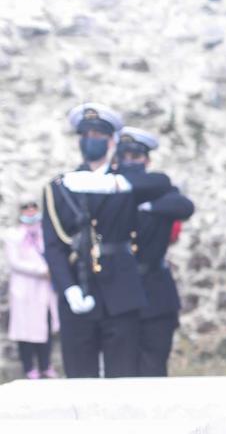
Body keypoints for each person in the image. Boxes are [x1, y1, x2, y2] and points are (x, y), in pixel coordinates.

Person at [42, 103, 175, 378]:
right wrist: (68, 289)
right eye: (86, 135)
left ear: (111, 140)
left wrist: (114, 185)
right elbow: (54, 247)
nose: (92, 140)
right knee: (80, 379)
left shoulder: (125, 181)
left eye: (99, 135)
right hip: (80, 288)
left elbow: (162, 184)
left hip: (121, 290)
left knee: (123, 377)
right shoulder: (61, 186)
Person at [115, 129, 195, 377]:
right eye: (125, 155)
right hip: (118, 290)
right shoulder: (110, 187)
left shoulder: (158, 189)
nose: (130, 161)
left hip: (154, 290)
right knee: (121, 369)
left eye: (136, 156)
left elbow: (184, 205)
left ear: (146, 160)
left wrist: (148, 207)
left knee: (154, 367)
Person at [5, 199, 58, 378]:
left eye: (33, 207)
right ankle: (29, 367)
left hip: (43, 289)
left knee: (45, 326)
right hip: (25, 289)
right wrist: (41, 270)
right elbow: (15, 262)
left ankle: (46, 365)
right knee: (25, 330)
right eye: (25, 208)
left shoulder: (44, 233)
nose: (30, 211)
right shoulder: (14, 235)